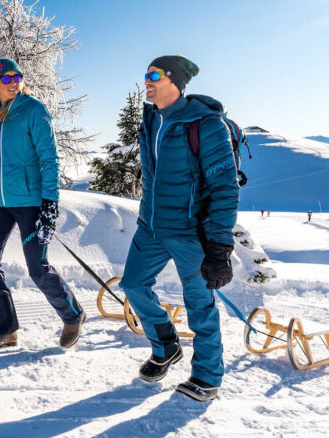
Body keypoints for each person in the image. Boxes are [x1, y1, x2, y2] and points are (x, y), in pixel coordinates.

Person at [118, 55, 240, 402]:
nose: (147, 80)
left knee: (199, 304)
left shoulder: (205, 124)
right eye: (145, 74)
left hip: (190, 232)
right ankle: (166, 346)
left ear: (176, 82)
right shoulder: (151, 120)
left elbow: (225, 188)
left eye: (155, 74)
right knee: (133, 285)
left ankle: (207, 376)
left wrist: (219, 247)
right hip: (151, 227)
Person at [0, 58, 85, 349]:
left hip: (31, 202)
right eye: (7, 79)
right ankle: (6, 330)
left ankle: (73, 315)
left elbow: (50, 159)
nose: (14, 83)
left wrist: (50, 204)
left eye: (17, 77)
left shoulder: (34, 110)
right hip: (0, 200)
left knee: (37, 268)